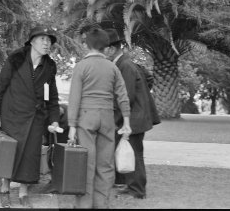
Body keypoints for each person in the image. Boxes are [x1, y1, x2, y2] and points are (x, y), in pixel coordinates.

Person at [0, 25, 60, 208]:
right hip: (12, 114)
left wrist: (53, 120)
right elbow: (0, 86)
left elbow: (52, 96)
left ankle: (23, 193)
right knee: (9, 152)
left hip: (36, 118)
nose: (47, 43)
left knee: (30, 156)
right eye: (43, 39)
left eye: (49, 40)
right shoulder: (16, 57)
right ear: (32, 41)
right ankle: (4, 189)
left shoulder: (50, 66)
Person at [67, 28, 132, 209]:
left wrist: (72, 125)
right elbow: (122, 95)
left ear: (87, 45)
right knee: (105, 164)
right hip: (107, 117)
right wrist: (126, 122)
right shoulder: (113, 67)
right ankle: (101, 203)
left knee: (86, 163)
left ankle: (84, 205)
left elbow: (74, 98)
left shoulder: (81, 66)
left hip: (86, 118)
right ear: (105, 46)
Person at [104, 28, 161, 199]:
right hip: (135, 116)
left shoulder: (125, 65)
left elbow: (126, 96)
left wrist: (114, 118)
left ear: (112, 49)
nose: (103, 52)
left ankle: (137, 191)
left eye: (104, 49)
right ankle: (130, 185)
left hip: (135, 118)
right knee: (128, 151)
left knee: (134, 153)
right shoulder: (124, 63)